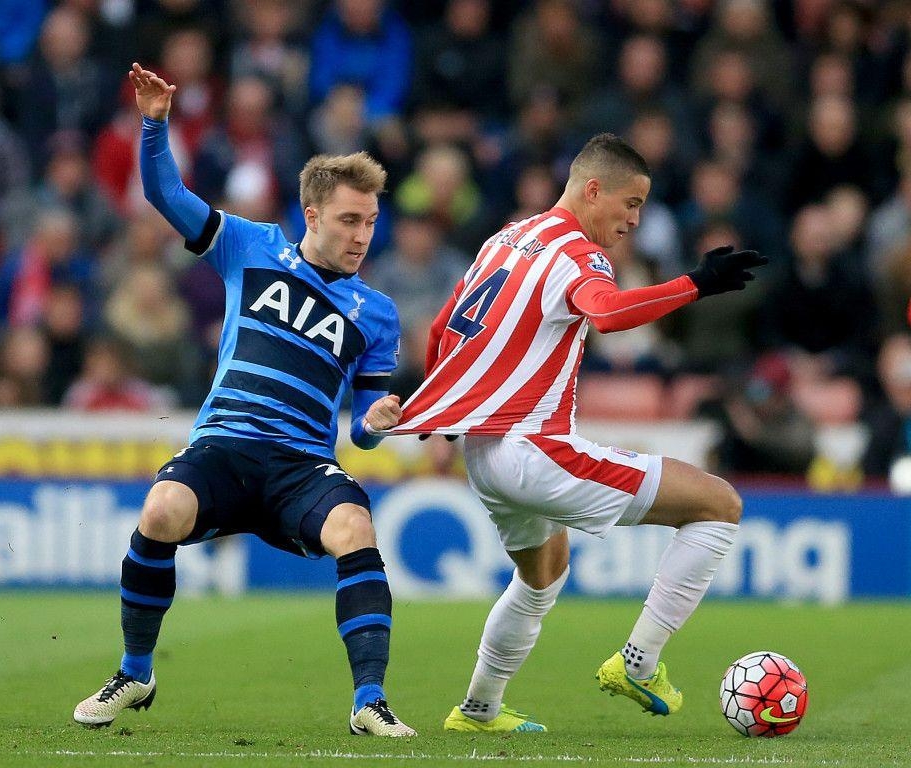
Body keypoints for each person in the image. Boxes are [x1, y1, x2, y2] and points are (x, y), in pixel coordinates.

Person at [72, 63, 416, 738]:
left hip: (299, 467)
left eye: (371, 222)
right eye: (349, 220)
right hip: (224, 448)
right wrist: (153, 123)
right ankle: (136, 669)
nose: (361, 236)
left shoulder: (377, 313)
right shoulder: (250, 246)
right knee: (161, 508)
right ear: (312, 215)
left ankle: (369, 701)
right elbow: (165, 193)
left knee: (355, 529)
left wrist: (376, 424)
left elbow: (367, 429)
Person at [387, 134, 767, 732]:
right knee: (719, 505)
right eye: (631, 203)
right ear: (593, 190)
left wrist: (450, 418)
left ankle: (479, 709)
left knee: (541, 575)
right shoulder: (579, 254)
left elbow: (440, 329)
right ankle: (639, 664)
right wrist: (697, 283)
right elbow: (609, 314)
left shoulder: (504, 239)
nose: (635, 219)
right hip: (535, 446)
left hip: (485, 454)